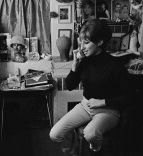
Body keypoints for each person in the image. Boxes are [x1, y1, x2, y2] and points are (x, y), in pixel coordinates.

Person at [49, 19, 130, 154]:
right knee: (54, 134)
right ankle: (77, 147)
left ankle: (96, 149)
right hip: (85, 106)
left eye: (86, 43)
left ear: (100, 42)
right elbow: (69, 86)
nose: (82, 47)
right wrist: (74, 68)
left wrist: (102, 102)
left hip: (108, 110)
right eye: (81, 42)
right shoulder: (84, 60)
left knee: (90, 133)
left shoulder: (115, 66)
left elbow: (129, 96)